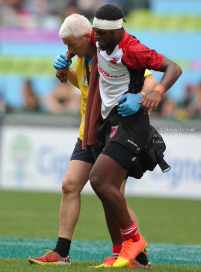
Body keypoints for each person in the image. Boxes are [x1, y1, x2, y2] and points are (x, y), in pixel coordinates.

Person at [28, 13, 158, 267]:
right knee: (70, 185)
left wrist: (141, 96)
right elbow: (88, 86)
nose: (68, 50)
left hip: (114, 132)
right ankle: (61, 253)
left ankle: (138, 258)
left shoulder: (111, 54)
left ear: (88, 37)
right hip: (87, 132)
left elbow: (151, 78)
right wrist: (64, 71)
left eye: (71, 44)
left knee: (113, 195)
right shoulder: (80, 59)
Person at [85, 4, 181, 268]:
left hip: (132, 123)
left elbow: (174, 67)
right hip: (109, 121)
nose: (97, 37)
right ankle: (128, 257)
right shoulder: (98, 36)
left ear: (117, 30)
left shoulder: (133, 48)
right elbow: (81, 39)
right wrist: (67, 56)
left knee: (98, 180)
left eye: (102, 34)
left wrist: (155, 92)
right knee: (109, 191)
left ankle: (134, 239)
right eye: (95, 32)